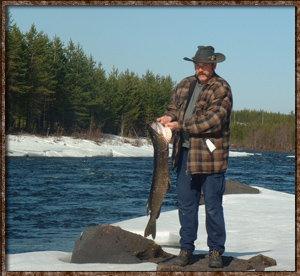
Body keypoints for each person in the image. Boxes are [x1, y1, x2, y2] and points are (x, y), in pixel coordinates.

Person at [157, 45, 233, 268]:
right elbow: (174, 108)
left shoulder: (222, 88)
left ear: (214, 65)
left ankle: (216, 251)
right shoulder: (184, 84)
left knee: (212, 206)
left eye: (205, 65)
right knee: (186, 206)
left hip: (211, 157)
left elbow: (213, 120)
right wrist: (167, 117)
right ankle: (186, 249)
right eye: (198, 65)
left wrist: (180, 125)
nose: (201, 69)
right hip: (184, 155)